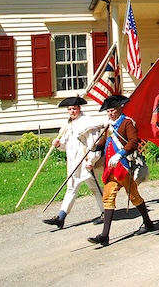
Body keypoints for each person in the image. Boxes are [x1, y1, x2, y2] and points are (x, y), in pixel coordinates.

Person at [88, 95, 155, 246]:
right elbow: (105, 143)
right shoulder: (109, 126)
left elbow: (133, 142)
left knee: (134, 197)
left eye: (112, 110)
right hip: (111, 168)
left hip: (124, 166)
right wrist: (95, 148)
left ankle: (148, 222)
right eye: (108, 111)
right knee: (108, 197)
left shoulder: (127, 123)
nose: (110, 113)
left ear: (119, 109)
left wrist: (120, 154)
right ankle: (105, 235)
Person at [43, 96, 105, 229]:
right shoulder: (68, 125)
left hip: (85, 161)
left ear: (79, 109)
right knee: (71, 187)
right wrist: (59, 144)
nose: (72, 111)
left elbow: (93, 144)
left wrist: (92, 160)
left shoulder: (87, 123)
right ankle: (61, 217)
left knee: (95, 188)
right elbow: (67, 146)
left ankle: (106, 212)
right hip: (73, 162)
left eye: (74, 109)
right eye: (70, 109)